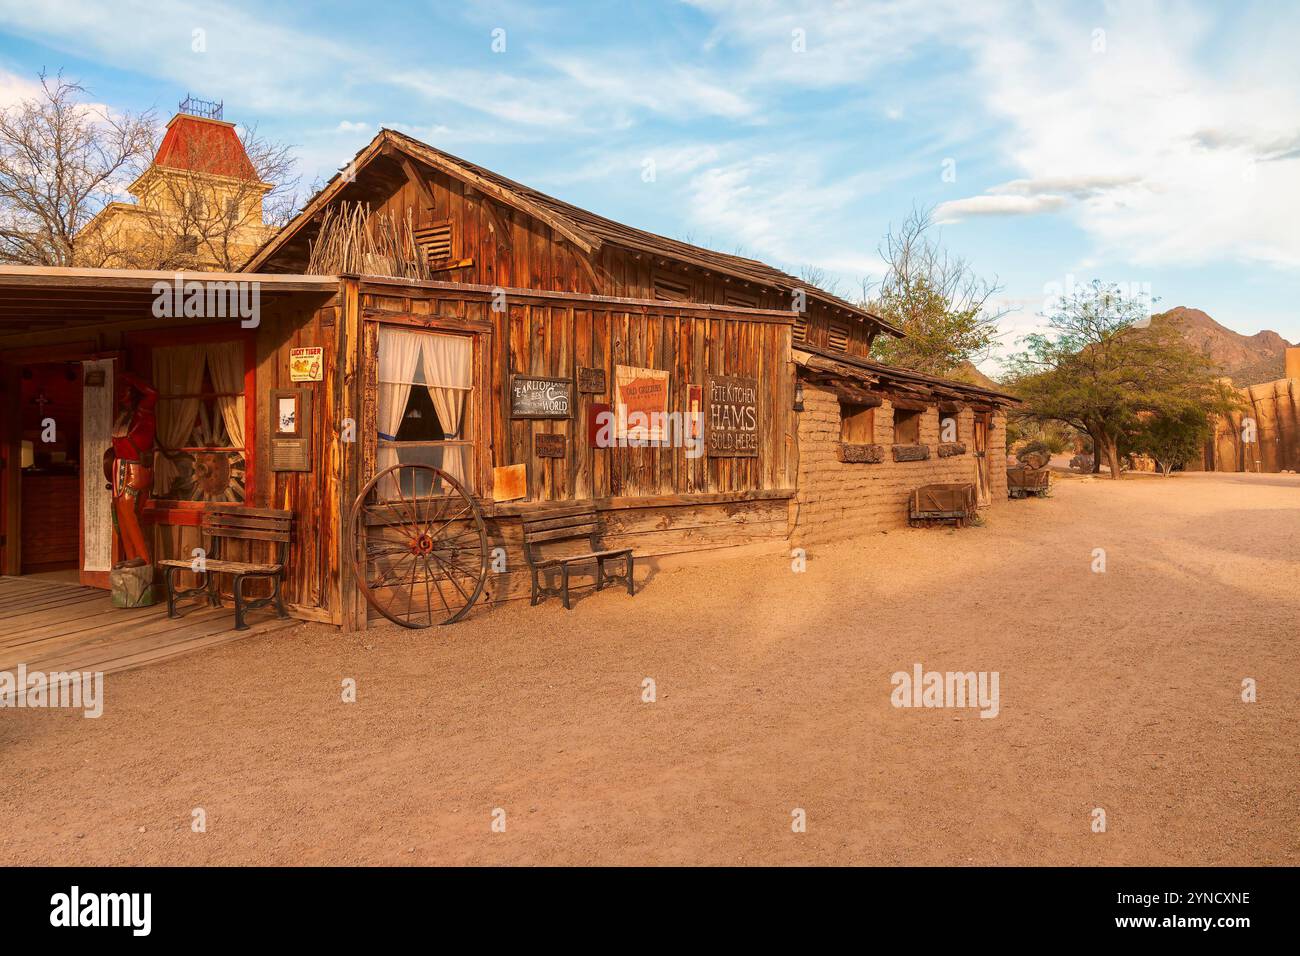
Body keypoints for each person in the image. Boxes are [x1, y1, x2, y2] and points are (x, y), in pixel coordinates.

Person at [102, 370, 158, 567]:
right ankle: (131, 556)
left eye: (125, 391)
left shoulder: (143, 412)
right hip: (120, 469)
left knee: (130, 511)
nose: (121, 395)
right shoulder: (124, 416)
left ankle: (143, 558)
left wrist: (130, 377)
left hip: (136, 469)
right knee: (120, 513)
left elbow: (152, 393)